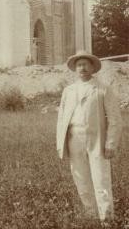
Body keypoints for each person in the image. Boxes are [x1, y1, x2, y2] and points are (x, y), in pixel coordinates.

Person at [56, 50, 121, 222]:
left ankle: (107, 219)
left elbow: (115, 119)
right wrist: (60, 144)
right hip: (74, 139)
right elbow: (61, 119)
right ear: (74, 69)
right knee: (81, 179)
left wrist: (111, 143)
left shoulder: (102, 89)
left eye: (86, 64)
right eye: (79, 65)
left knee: (101, 179)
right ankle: (91, 216)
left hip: (97, 140)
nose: (82, 68)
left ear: (92, 67)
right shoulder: (68, 91)